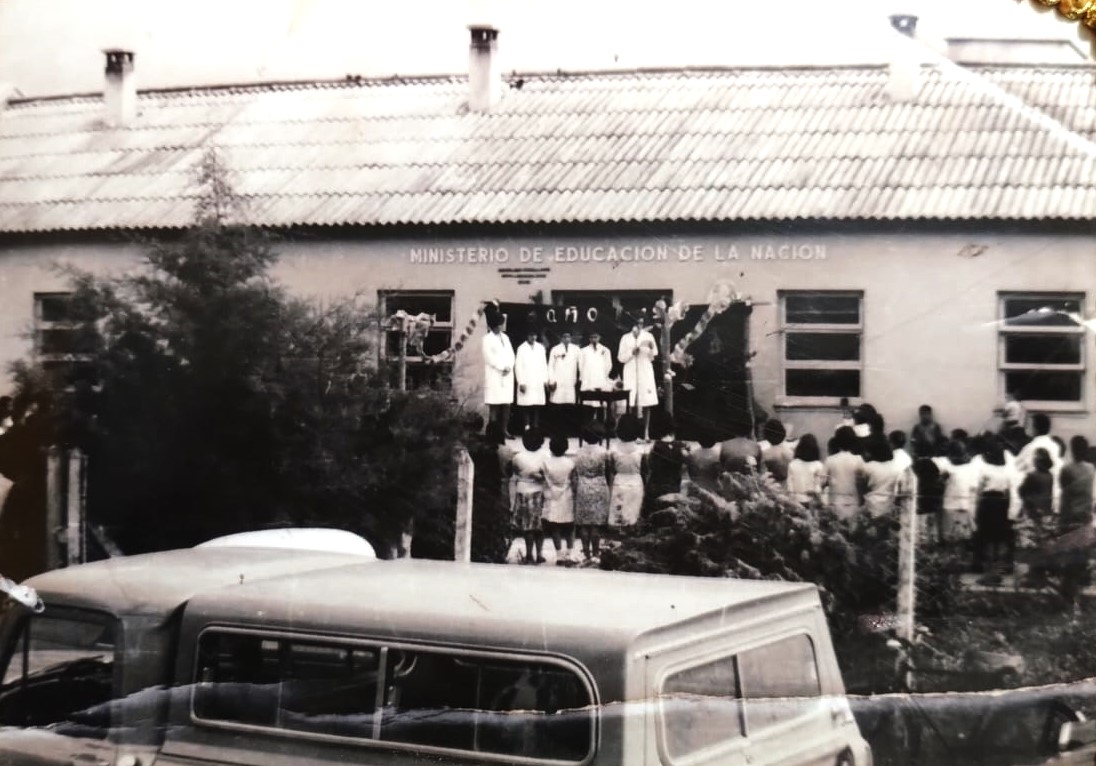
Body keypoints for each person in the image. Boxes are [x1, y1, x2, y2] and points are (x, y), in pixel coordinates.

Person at [1058, 435, 1095, 603]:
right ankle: (1081, 579)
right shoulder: (1090, 469)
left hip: (1070, 513)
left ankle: (1068, 586)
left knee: (1070, 550)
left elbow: (1065, 492)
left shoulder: (1067, 469)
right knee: (1082, 549)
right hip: (1085, 514)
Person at [974, 439, 1015, 584]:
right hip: (1002, 503)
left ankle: (989, 574)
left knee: (987, 539)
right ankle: (996, 573)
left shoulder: (985, 469)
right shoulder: (1007, 469)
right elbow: (1009, 490)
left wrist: (976, 508)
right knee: (999, 540)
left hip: (988, 502)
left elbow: (979, 490)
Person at [617, 317, 659, 439]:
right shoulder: (625, 338)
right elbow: (620, 358)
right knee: (632, 403)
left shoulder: (649, 336)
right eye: (637, 323)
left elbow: (654, 354)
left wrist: (650, 348)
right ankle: (632, 433)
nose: (639, 325)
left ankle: (645, 432)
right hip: (630, 371)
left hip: (644, 370)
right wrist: (631, 352)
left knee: (646, 402)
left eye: (641, 323)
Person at [572, 425, 610, 558]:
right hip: (599, 485)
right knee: (596, 523)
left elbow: (576, 471)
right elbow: (608, 470)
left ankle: (586, 551)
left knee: (584, 523)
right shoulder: (604, 452)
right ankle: (595, 551)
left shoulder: (578, 452)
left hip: (583, 486)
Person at [934, 440, 981, 550]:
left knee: (951, 536)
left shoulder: (948, 468)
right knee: (965, 536)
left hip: (951, 505)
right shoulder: (972, 467)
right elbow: (975, 485)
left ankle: (953, 557)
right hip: (966, 504)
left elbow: (940, 482)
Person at [510, 430, 548, 564]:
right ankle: (539, 553)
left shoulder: (519, 457)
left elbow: (515, 470)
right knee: (539, 526)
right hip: (538, 492)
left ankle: (529, 553)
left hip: (523, 492)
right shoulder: (545, 456)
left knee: (527, 527)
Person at [643, 408, 687, 516]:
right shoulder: (680, 447)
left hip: (657, 488)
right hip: (673, 486)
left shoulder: (656, 447)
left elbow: (650, 465)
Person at [541, 435, 577, 562]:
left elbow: (544, 478)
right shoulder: (570, 463)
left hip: (552, 495)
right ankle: (570, 552)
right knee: (569, 526)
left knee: (555, 527)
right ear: (566, 448)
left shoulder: (546, 463)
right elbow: (573, 480)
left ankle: (559, 554)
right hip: (566, 496)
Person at [482, 310, 515, 438]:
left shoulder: (505, 338)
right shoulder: (487, 339)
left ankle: (504, 430)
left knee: (507, 404)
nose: (501, 327)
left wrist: (509, 366)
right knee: (494, 404)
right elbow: (488, 357)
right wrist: (501, 367)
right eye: (499, 324)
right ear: (493, 325)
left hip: (507, 375)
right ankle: (492, 432)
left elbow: (511, 354)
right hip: (494, 375)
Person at [608, 415, 645, 527]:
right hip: (635, 482)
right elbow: (644, 470)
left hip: (619, 482)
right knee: (633, 516)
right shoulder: (641, 450)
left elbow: (611, 469)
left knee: (618, 517)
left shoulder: (613, 449)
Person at [824, 426, 864, 520]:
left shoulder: (830, 460)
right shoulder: (859, 460)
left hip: (834, 501)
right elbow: (863, 482)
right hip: (853, 501)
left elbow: (822, 481)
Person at [546, 330, 580, 436]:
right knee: (557, 408)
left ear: (571, 338)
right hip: (558, 382)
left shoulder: (576, 349)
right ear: (561, 338)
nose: (566, 339)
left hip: (570, 382)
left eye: (568, 337)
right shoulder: (555, 349)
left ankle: (568, 432)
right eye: (564, 337)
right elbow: (550, 366)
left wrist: (580, 378)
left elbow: (581, 365)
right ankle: (556, 431)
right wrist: (551, 380)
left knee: (568, 408)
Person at [514, 329, 548, 432]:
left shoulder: (540, 348)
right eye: (530, 335)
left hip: (538, 379)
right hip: (526, 379)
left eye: (534, 335)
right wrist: (521, 382)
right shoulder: (521, 348)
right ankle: (527, 425)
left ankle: (535, 425)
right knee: (526, 404)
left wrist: (545, 379)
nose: (532, 338)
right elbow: (518, 366)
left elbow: (544, 365)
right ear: (527, 336)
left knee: (537, 404)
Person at [578, 331, 614, 429]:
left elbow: (608, 365)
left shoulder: (605, 350)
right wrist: (585, 380)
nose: (594, 339)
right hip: (588, 382)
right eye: (592, 337)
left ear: (599, 338)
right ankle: (588, 430)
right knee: (588, 407)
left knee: (601, 407)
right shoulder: (583, 351)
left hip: (600, 382)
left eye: (596, 337)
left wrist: (603, 377)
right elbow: (581, 366)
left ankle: (601, 429)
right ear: (589, 339)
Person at [861, 436, 902, 518]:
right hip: (889, 505)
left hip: (871, 505)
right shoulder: (895, 468)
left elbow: (862, 487)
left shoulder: (868, 467)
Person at [787, 434, 826, 506]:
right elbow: (818, 487)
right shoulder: (818, 465)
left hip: (796, 501)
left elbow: (790, 488)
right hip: (812, 502)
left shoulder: (792, 464)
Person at [758, 419, 793, 484]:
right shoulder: (790, 452)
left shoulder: (765, 453)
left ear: (766, 435)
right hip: (788, 484)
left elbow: (762, 474)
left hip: (771, 484)